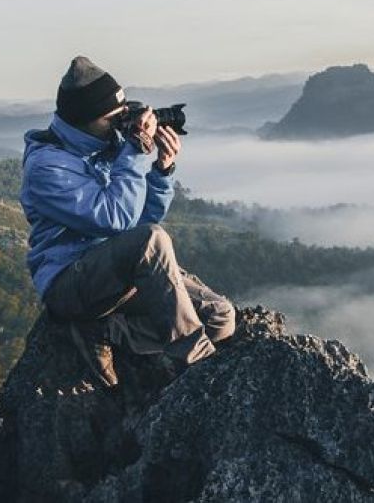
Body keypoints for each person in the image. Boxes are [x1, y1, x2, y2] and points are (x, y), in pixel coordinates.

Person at [20, 56, 235, 388]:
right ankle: (196, 366)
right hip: (70, 283)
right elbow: (117, 220)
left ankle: (108, 331)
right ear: (84, 120)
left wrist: (162, 171)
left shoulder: (106, 146)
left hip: (116, 276)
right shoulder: (47, 167)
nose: (122, 124)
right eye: (113, 118)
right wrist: (133, 152)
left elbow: (140, 220)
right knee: (153, 239)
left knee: (220, 318)